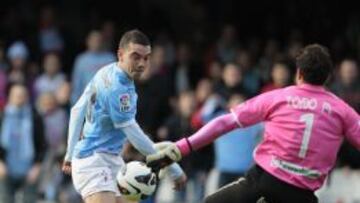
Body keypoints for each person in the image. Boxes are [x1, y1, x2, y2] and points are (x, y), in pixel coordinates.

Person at [146, 44, 360, 203]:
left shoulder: (277, 97)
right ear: (329, 77)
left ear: (299, 74)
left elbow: (225, 123)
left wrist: (183, 146)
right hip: (302, 196)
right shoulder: (343, 111)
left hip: (264, 184)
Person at [62, 29, 186, 203]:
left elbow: (77, 110)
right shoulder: (118, 89)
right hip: (94, 160)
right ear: (120, 54)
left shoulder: (105, 71)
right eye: (135, 57)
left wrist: (69, 153)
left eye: (146, 58)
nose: (142, 64)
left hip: (112, 159)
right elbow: (135, 136)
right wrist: (173, 168)